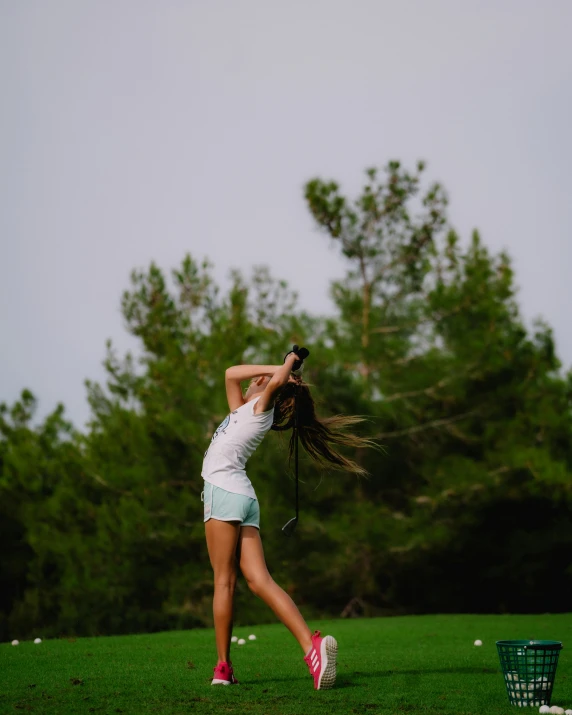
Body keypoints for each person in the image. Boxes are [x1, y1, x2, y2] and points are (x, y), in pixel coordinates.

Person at [202, 347, 373, 690]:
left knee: (224, 582)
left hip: (223, 492)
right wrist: (277, 369)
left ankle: (223, 668)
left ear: (270, 391)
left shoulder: (260, 409)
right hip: (243, 497)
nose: (253, 380)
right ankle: (312, 648)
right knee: (259, 580)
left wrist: (284, 368)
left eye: (260, 381)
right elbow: (230, 372)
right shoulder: (242, 410)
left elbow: (264, 378)